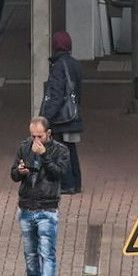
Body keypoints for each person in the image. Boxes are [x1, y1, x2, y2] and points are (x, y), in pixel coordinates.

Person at [11, 115, 69, 276]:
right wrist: (20, 171)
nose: (36, 140)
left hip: (47, 207)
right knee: (30, 252)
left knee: (47, 252)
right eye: (33, 136)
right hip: (27, 206)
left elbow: (58, 173)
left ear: (48, 133)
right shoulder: (24, 147)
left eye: (40, 136)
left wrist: (44, 155)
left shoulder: (61, 151)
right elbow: (13, 174)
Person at [40, 30, 84, 195]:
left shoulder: (59, 66)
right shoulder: (74, 64)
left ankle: (67, 184)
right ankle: (76, 183)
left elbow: (56, 95)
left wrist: (46, 118)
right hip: (72, 114)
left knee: (60, 150)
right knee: (70, 149)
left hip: (61, 118)